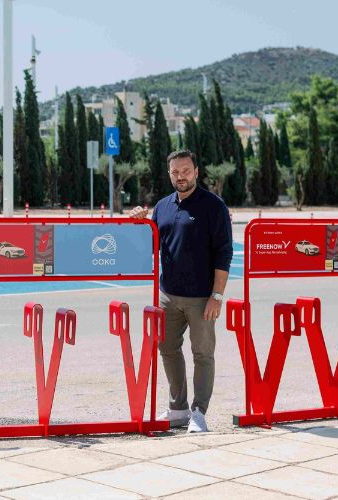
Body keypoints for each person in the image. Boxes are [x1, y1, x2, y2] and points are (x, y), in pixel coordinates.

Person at [129, 150, 232, 433]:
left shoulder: (214, 206)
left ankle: (199, 413)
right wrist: (139, 222)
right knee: (167, 348)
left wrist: (217, 296)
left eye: (186, 171)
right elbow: (149, 246)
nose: (181, 176)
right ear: (169, 174)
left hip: (202, 298)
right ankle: (178, 408)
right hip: (168, 296)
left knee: (203, 354)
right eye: (175, 172)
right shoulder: (162, 206)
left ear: (196, 171)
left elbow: (224, 253)